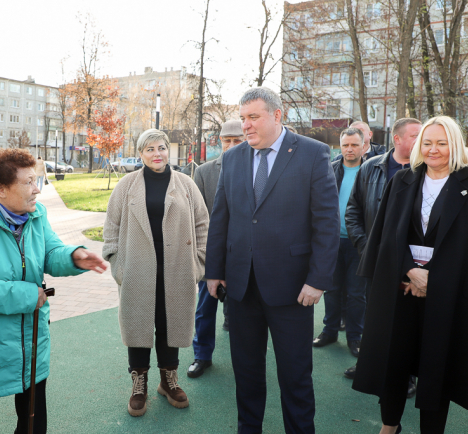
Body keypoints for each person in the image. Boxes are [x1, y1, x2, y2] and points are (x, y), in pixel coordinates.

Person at [0, 148, 107, 434]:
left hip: (30, 338)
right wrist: (28, 296)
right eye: (28, 182)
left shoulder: (35, 214)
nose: (37, 189)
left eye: (36, 180)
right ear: (1, 189)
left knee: (33, 425)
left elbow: (49, 251)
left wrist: (73, 256)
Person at [352, 116, 468, 434]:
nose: (433, 149)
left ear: (455, 144)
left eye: (442, 142)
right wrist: (410, 271)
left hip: (452, 294)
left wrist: (433, 279)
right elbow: (386, 233)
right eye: (427, 142)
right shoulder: (403, 180)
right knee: (394, 361)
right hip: (402, 288)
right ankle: (389, 425)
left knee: (439, 366)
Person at [205, 87, 339, 433]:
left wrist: (318, 280)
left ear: (277, 116)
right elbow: (222, 218)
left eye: (253, 117)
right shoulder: (233, 158)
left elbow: (326, 223)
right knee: (246, 373)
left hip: (293, 288)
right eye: (243, 118)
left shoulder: (312, 154)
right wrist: (214, 271)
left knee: (295, 375)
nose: (245, 126)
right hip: (240, 287)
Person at [103, 128, 209, 417]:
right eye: (149, 149)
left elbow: (202, 224)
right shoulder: (126, 186)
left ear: (168, 150)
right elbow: (111, 227)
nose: (157, 154)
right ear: (141, 154)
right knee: (138, 324)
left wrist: (198, 263)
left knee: (169, 323)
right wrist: (116, 262)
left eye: (161, 147)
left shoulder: (185, 184)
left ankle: (168, 380)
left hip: (177, 268)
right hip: (137, 268)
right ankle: (139, 383)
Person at [343, 117, 422, 388]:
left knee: (407, 318)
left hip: (411, 262)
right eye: (415, 136)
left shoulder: (426, 171)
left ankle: (407, 373)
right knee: (373, 314)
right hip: (375, 258)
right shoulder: (370, 167)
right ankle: (369, 363)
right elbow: (353, 211)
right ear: (397, 139)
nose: (421, 141)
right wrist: (366, 248)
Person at [187, 120, 244, 379]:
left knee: (245, 309)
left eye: (237, 140)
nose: (231, 146)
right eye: (227, 141)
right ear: (220, 141)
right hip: (212, 252)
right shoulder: (205, 172)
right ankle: (202, 355)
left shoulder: (257, 169)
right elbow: (195, 216)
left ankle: (245, 358)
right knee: (205, 307)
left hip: (245, 253)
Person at [313, 128, 366, 358]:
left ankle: (355, 337)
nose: (350, 149)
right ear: (340, 146)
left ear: (363, 146)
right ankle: (330, 331)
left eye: (354, 145)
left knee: (356, 293)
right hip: (332, 241)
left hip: (359, 243)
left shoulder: (372, 170)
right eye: (345, 145)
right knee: (331, 290)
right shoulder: (331, 169)